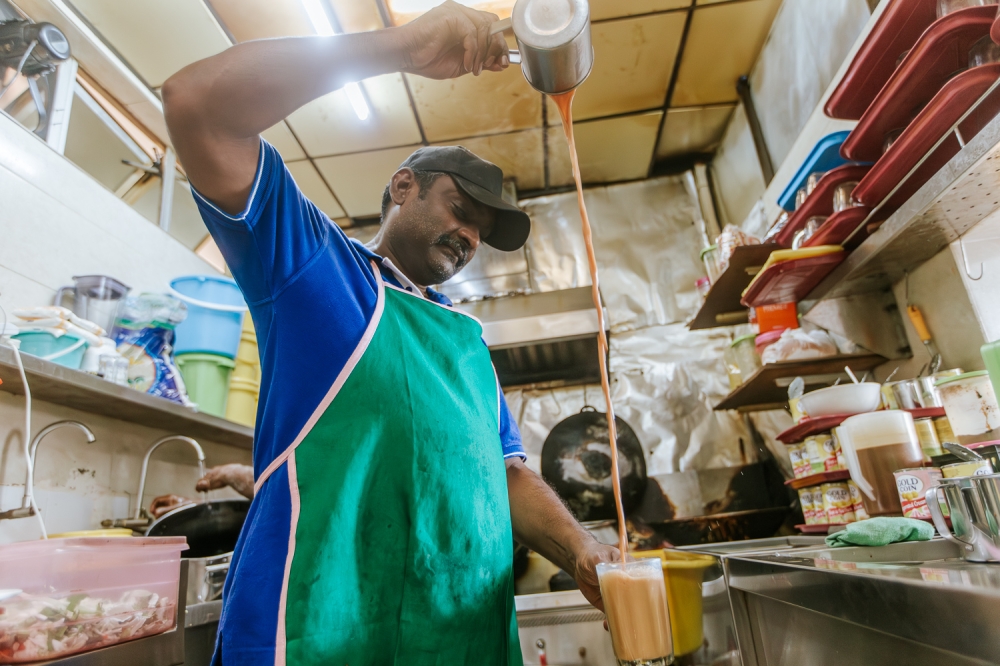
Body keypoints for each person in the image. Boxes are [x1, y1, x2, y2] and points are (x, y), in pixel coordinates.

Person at [162, 3, 618, 664]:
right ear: (403, 187)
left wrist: (582, 549)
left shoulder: (466, 345)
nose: (467, 239)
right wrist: (398, 47)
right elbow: (196, 102)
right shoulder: (314, 272)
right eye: (460, 210)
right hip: (317, 638)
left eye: (479, 236)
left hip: (461, 644)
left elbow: (506, 473)